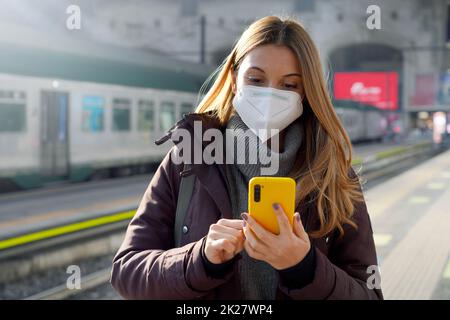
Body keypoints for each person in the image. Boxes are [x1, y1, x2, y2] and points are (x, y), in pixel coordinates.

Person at [110, 15, 383, 300]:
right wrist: (200, 259)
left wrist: (306, 268)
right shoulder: (188, 160)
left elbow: (369, 294)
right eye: (256, 79)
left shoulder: (333, 175)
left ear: (306, 93)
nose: (270, 95)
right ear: (233, 79)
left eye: (289, 85)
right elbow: (126, 272)